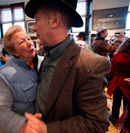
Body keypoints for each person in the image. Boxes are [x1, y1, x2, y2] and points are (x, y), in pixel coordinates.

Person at [22, 0, 110, 132]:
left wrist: (47, 129)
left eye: (36, 20)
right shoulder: (47, 54)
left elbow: (96, 123)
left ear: (54, 20)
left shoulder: (89, 65)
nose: (34, 28)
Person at [0, 25, 38, 133]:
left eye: (29, 39)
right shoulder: (6, 75)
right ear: (14, 53)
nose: (29, 43)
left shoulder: (41, 63)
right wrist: (23, 125)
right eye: (22, 42)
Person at [107, 36, 130, 127]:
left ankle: (115, 118)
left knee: (116, 102)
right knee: (128, 103)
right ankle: (125, 119)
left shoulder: (117, 56)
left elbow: (112, 71)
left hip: (118, 81)